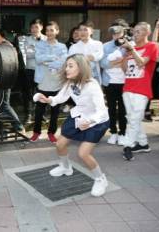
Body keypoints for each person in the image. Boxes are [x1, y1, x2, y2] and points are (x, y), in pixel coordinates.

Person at [37, 54, 109, 197]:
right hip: (79, 116)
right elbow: (60, 98)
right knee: (60, 144)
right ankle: (65, 167)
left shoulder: (92, 85)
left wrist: (89, 121)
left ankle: (101, 179)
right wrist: (48, 99)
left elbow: (101, 111)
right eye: (66, 66)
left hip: (96, 121)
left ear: (81, 68)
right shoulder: (70, 83)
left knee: (83, 153)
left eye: (70, 66)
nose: (66, 69)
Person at [120, 22, 159, 161]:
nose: (134, 34)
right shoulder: (132, 48)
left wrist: (133, 50)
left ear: (146, 33)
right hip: (128, 87)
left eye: (138, 32)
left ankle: (128, 145)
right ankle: (143, 143)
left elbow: (142, 62)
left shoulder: (152, 46)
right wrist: (126, 52)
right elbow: (124, 69)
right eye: (134, 32)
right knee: (131, 118)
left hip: (142, 89)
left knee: (135, 118)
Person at [30, 21, 67, 143]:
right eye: (47, 30)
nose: (49, 33)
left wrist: (48, 61)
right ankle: (36, 132)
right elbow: (38, 59)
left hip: (57, 82)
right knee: (39, 110)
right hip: (43, 81)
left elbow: (63, 62)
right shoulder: (40, 44)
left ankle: (51, 133)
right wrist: (53, 58)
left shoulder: (62, 47)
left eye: (52, 30)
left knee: (55, 110)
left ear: (57, 31)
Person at [0, 28, 25, 134]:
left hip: (4, 81)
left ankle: (19, 127)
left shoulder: (6, 47)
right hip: (2, 81)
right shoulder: (4, 46)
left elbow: (6, 65)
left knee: (4, 104)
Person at [100, 21, 128, 145]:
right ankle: (113, 132)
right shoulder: (105, 46)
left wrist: (115, 62)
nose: (116, 36)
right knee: (111, 108)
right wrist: (119, 61)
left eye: (119, 33)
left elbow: (128, 63)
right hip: (109, 82)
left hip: (125, 82)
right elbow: (103, 64)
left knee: (123, 109)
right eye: (114, 33)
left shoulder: (129, 45)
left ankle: (123, 132)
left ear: (124, 32)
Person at [17, 19, 47, 122]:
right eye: (32, 27)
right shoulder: (26, 40)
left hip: (43, 70)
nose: (34, 29)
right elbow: (27, 54)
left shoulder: (46, 39)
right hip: (29, 70)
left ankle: (40, 114)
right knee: (29, 93)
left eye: (36, 27)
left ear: (41, 27)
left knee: (42, 92)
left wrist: (34, 50)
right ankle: (29, 114)